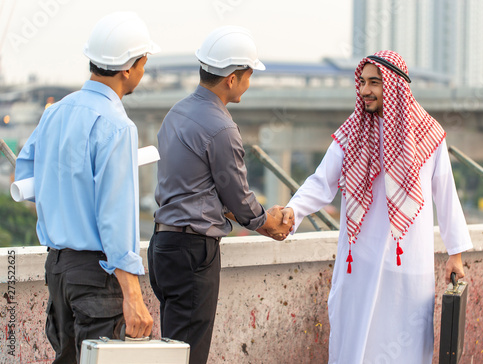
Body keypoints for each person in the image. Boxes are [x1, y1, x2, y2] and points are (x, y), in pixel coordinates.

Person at [281, 50, 473, 363]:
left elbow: (447, 195)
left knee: (405, 349)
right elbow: (321, 182)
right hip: (360, 266)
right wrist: (292, 211)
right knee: (355, 345)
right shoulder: (352, 132)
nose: (365, 90)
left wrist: (456, 254)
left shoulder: (429, 137)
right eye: (362, 82)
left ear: (396, 86)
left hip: (407, 270)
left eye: (374, 82)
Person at [14, 12, 159, 363]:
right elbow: (114, 216)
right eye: (143, 62)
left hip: (59, 269)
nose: (144, 70)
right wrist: (133, 294)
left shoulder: (56, 112)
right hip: (96, 275)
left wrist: (65, 199)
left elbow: (24, 176)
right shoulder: (117, 125)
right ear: (128, 68)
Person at [148, 26, 291, 364]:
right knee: (189, 354)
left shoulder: (176, 114)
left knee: (173, 349)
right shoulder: (222, 127)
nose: (249, 83)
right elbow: (239, 198)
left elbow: (196, 190)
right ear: (231, 79)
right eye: (248, 75)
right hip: (193, 253)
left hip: (163, 247)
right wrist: (267, 223)